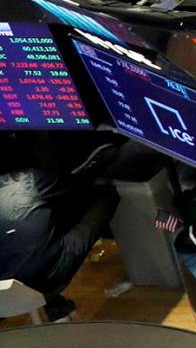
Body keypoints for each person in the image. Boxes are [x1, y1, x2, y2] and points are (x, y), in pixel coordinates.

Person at [0, 136, 136, 321]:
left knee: (37, 225)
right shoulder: (27, 180)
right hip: (46, 280)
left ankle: (57, 309)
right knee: (103, 196)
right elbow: (76, 190)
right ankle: (55, 306)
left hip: (4, 299)